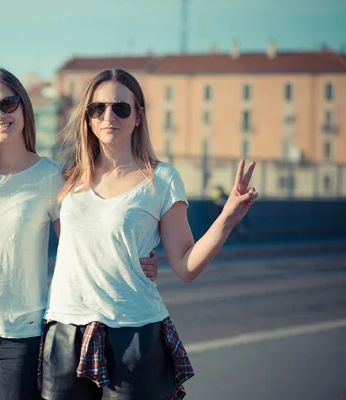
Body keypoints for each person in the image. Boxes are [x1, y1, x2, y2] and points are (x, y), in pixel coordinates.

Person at [0, 68, 159, 400]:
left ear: (23, 107)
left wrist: (137, 263)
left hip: (22, 337)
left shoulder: (52, 177)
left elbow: (84, 246)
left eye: (8, 104)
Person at [39, 68, 258, 400]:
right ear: (87, 117)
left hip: (134, 333)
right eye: (98, 108)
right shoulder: (65, 178)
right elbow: (15, 168)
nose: (108, 116)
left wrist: (228, 217)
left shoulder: (162, 179)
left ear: (138, 115)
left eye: (120, 108)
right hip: (65, 330)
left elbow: (185, 266)